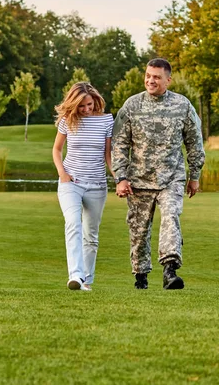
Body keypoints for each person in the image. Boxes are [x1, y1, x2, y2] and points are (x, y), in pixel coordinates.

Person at [112, 58, 205, 290]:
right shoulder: (132, 106)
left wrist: (195, 174)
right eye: (148, 75)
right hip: (138, 180)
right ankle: (140, 276)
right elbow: (119, 144)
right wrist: (120, 177)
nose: (150, 80)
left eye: (156, 77)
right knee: (139, 229)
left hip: (171, 178)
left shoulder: (182, 106)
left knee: (171, 216)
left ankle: (170, 270)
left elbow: (195, 142)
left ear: (168, 80)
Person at [53, 82, 114, 291]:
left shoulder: (106, 120)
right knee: (73, 223)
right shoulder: (67, 121)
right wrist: (62, 174)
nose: (86, 109)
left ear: (95, 100)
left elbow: (108, 155)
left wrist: (119, 177)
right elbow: (57, 150)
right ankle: (76, 276)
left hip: (97, 185)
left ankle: (87, 281)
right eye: (81, 106)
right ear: (73, 105)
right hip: (72, 183)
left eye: (89, 104)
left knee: (91, 235)